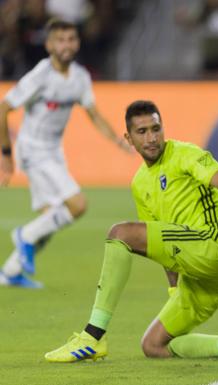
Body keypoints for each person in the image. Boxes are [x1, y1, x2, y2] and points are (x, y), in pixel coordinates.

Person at [44, 100, 218, 363]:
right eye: (142, 132)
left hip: (215, 249)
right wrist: (174, 289)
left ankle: (92, 336)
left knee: (119, 233)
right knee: (154, 345)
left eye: (156, 129)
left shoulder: (185, 154)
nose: (152, 138)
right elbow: (161, 241)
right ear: (128, 138)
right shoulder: (139, 183)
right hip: (203, 275)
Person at [0, 19, 132, 288]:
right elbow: (4, 108)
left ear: (77, 43)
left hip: (53, 152)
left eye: (71, 39)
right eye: (60, 40)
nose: (66, 45)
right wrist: (5, 153)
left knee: (52, 219)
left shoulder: (80, 77)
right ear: (49, 44)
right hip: (33, 150)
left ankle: (10, 272)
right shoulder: (41, 75)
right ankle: (23, 235)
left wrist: (118, 140)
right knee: (77, 205)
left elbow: (94, 114)